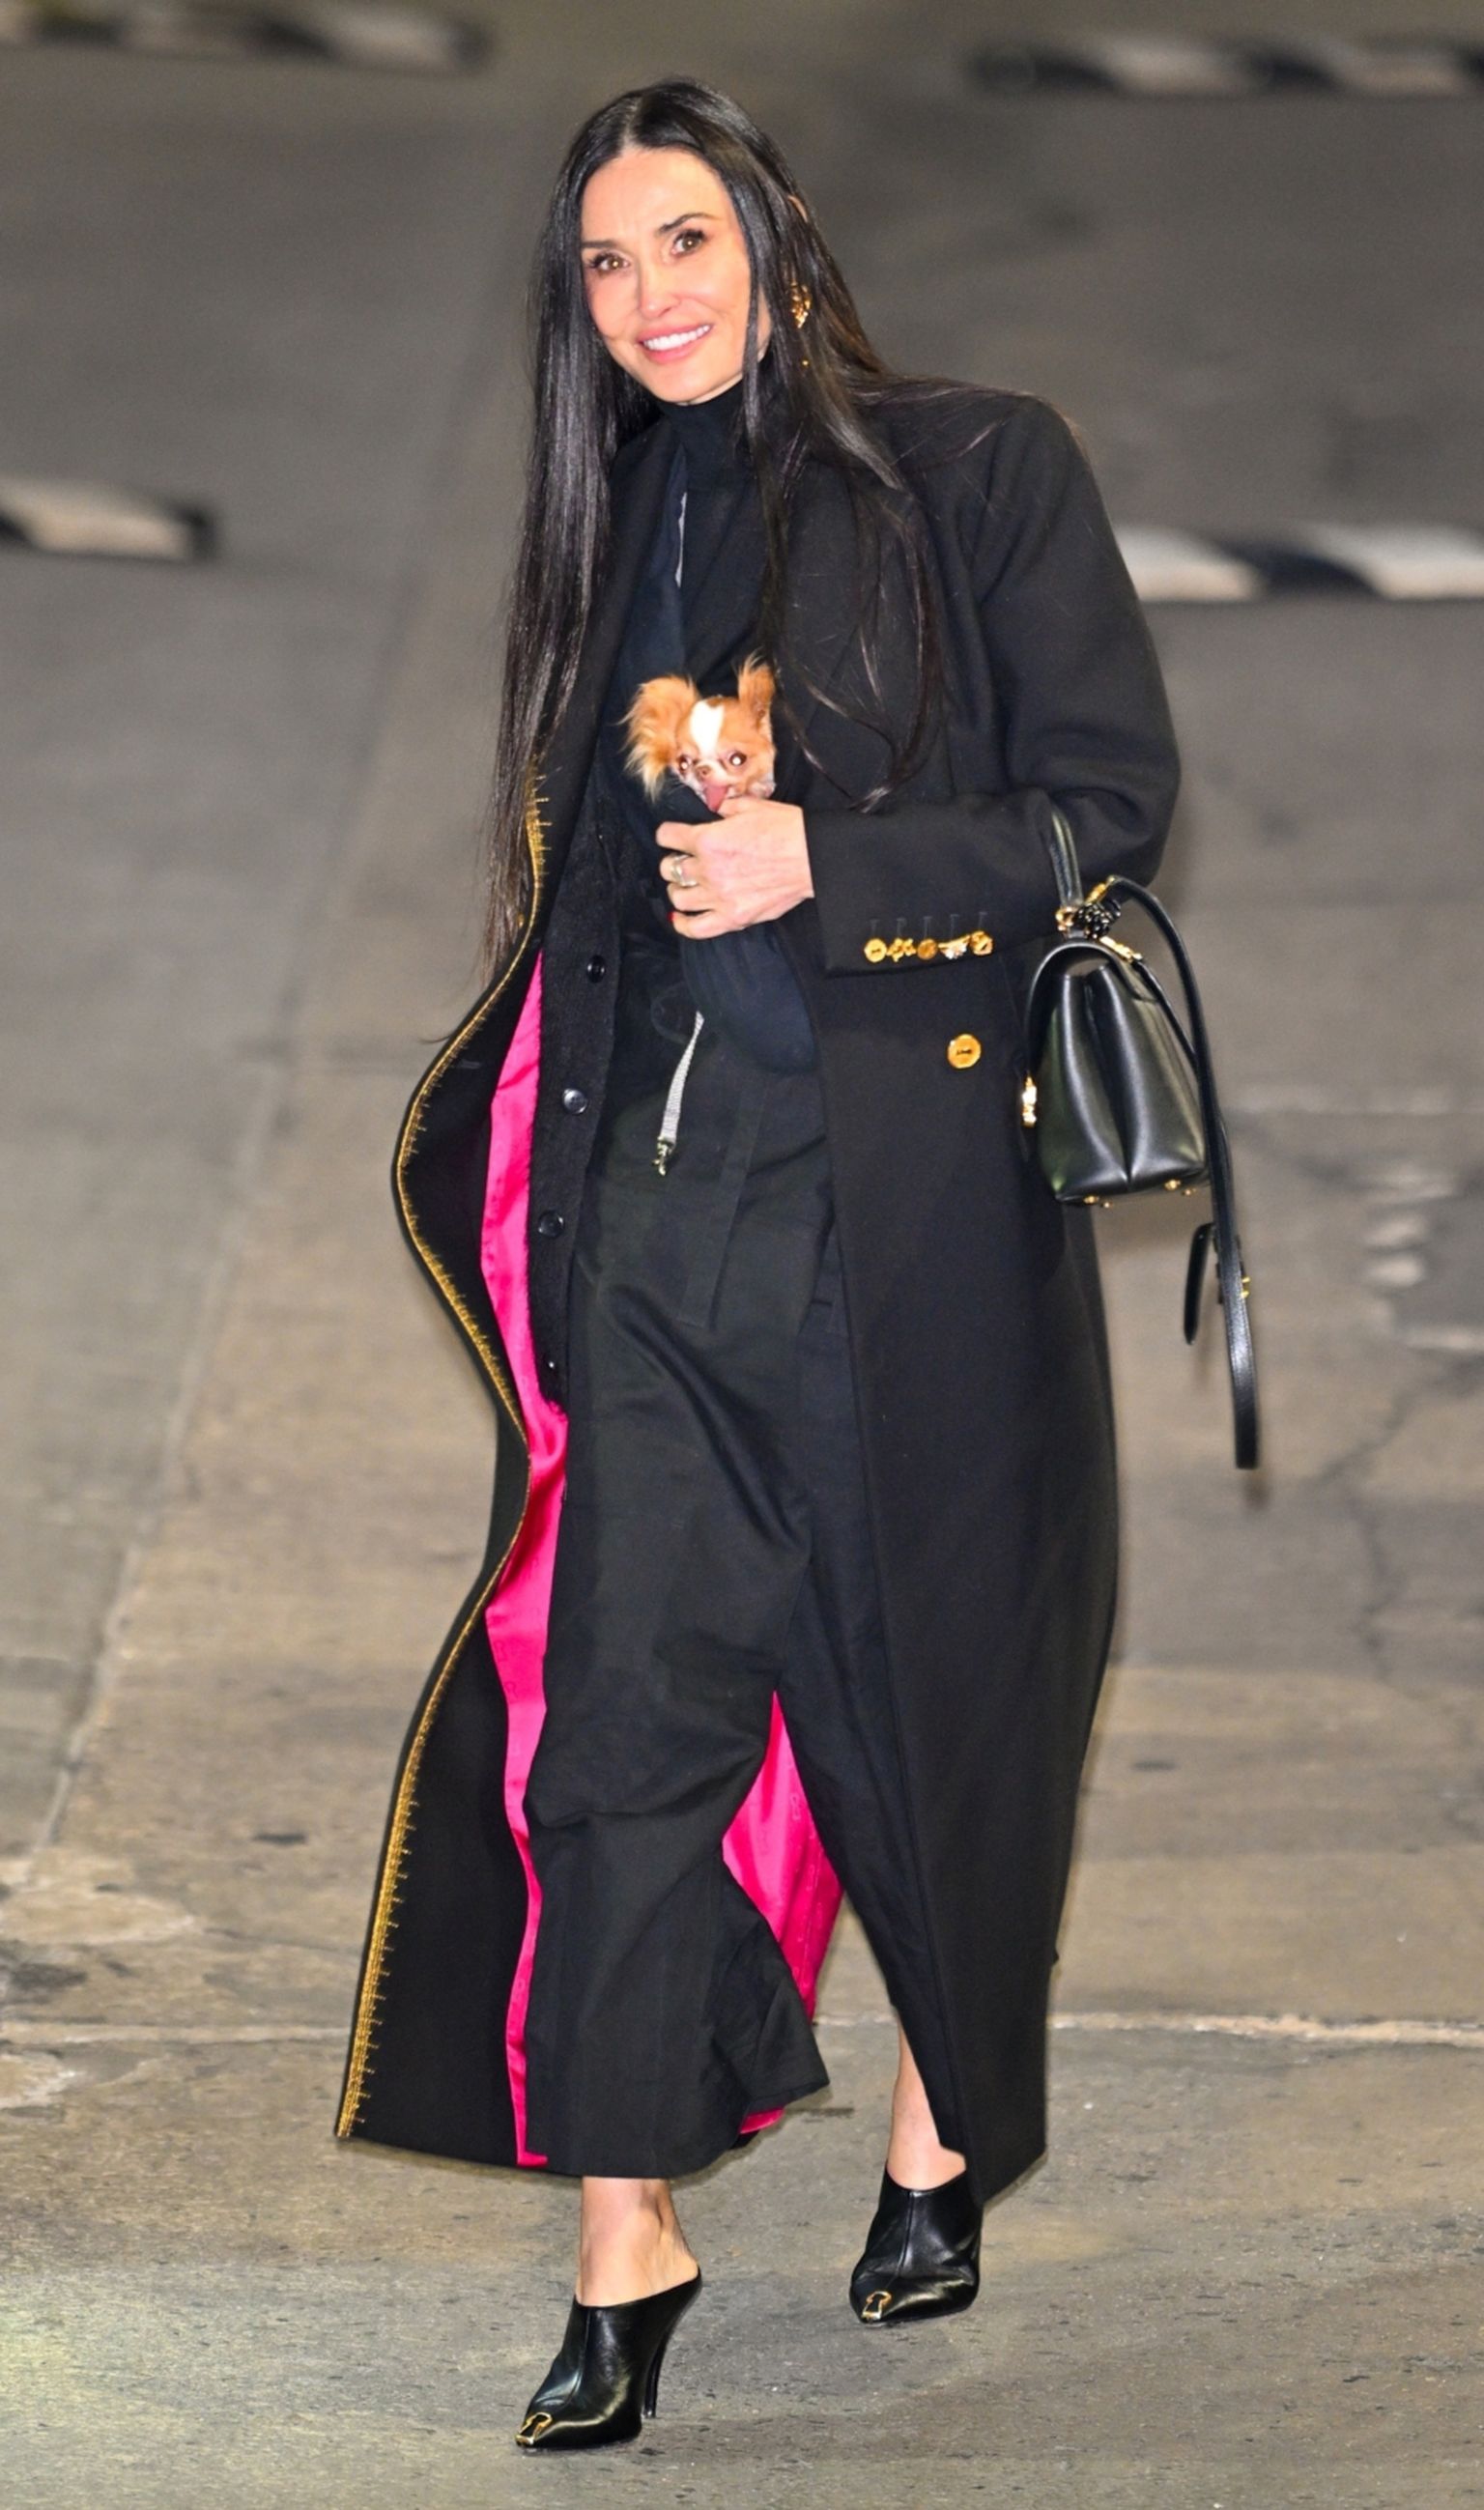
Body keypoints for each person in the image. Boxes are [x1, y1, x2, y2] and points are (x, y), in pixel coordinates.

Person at [333, 76, 1183, 2453]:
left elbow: (1105, 803)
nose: (650, 299)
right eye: (605, 266)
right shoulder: (618, 520)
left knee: (928, 1704)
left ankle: (938, 2116)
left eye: (683, 241)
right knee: (619, 1738)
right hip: (657, 1238)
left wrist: (840, 867)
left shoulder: (980, 472)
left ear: (778, 241)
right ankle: (628, 2242)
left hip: (905, 1228)